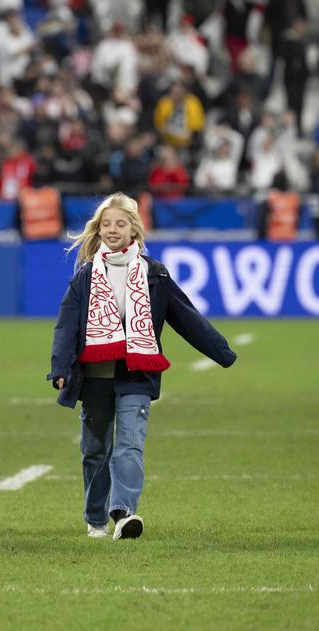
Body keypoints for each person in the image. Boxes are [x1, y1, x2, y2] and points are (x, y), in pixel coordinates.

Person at [48, 193, 237, 540]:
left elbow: (187, 318)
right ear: (98, 229)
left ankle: (123, 513)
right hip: (95, 376)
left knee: (129, 446)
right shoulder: (86, 276)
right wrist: (59, 368)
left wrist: (222, 352)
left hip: (137, 373)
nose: (112, 229)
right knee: (95, 450)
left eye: (120, 223)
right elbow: (67, 325)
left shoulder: (155, 274)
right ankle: (95, 518)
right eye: (106, 224)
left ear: (134, 229)